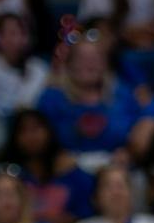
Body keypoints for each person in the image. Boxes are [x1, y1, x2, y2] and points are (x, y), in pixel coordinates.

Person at [34, 36, 140, 166]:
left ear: (105, 64)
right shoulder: (51, 99)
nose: (88, 64)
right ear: (69, 63)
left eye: (94, 59)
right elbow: (39, 140)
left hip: (116, 167)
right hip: (64, 168)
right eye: (81, 59)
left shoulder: (123, 95)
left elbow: (138, 133)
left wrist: (128, 152)